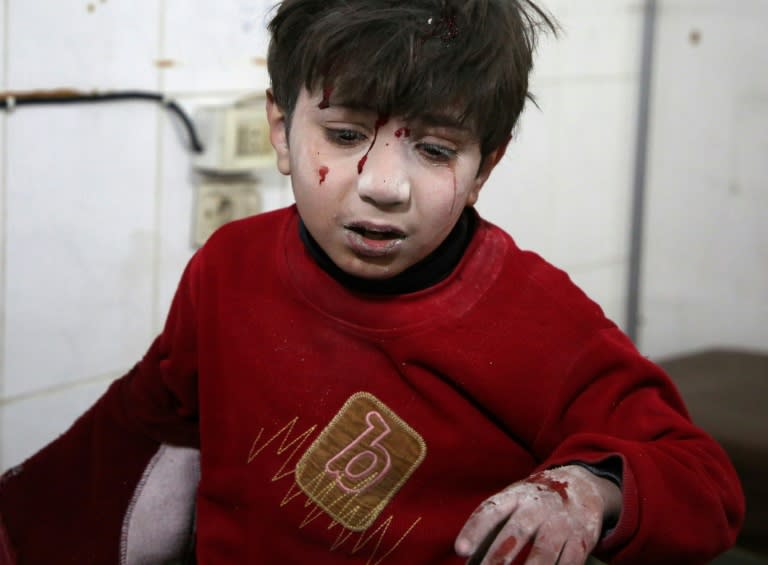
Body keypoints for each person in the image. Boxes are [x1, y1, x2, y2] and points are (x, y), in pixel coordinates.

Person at [0, 0, 744, 563]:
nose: (384, 185)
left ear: (486, 166)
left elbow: (701, 478)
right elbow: (132, 437)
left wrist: (590, 488)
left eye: (433, 148)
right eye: (347, 135)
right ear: (280, 129)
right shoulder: (228, 270)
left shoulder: (538, 318)